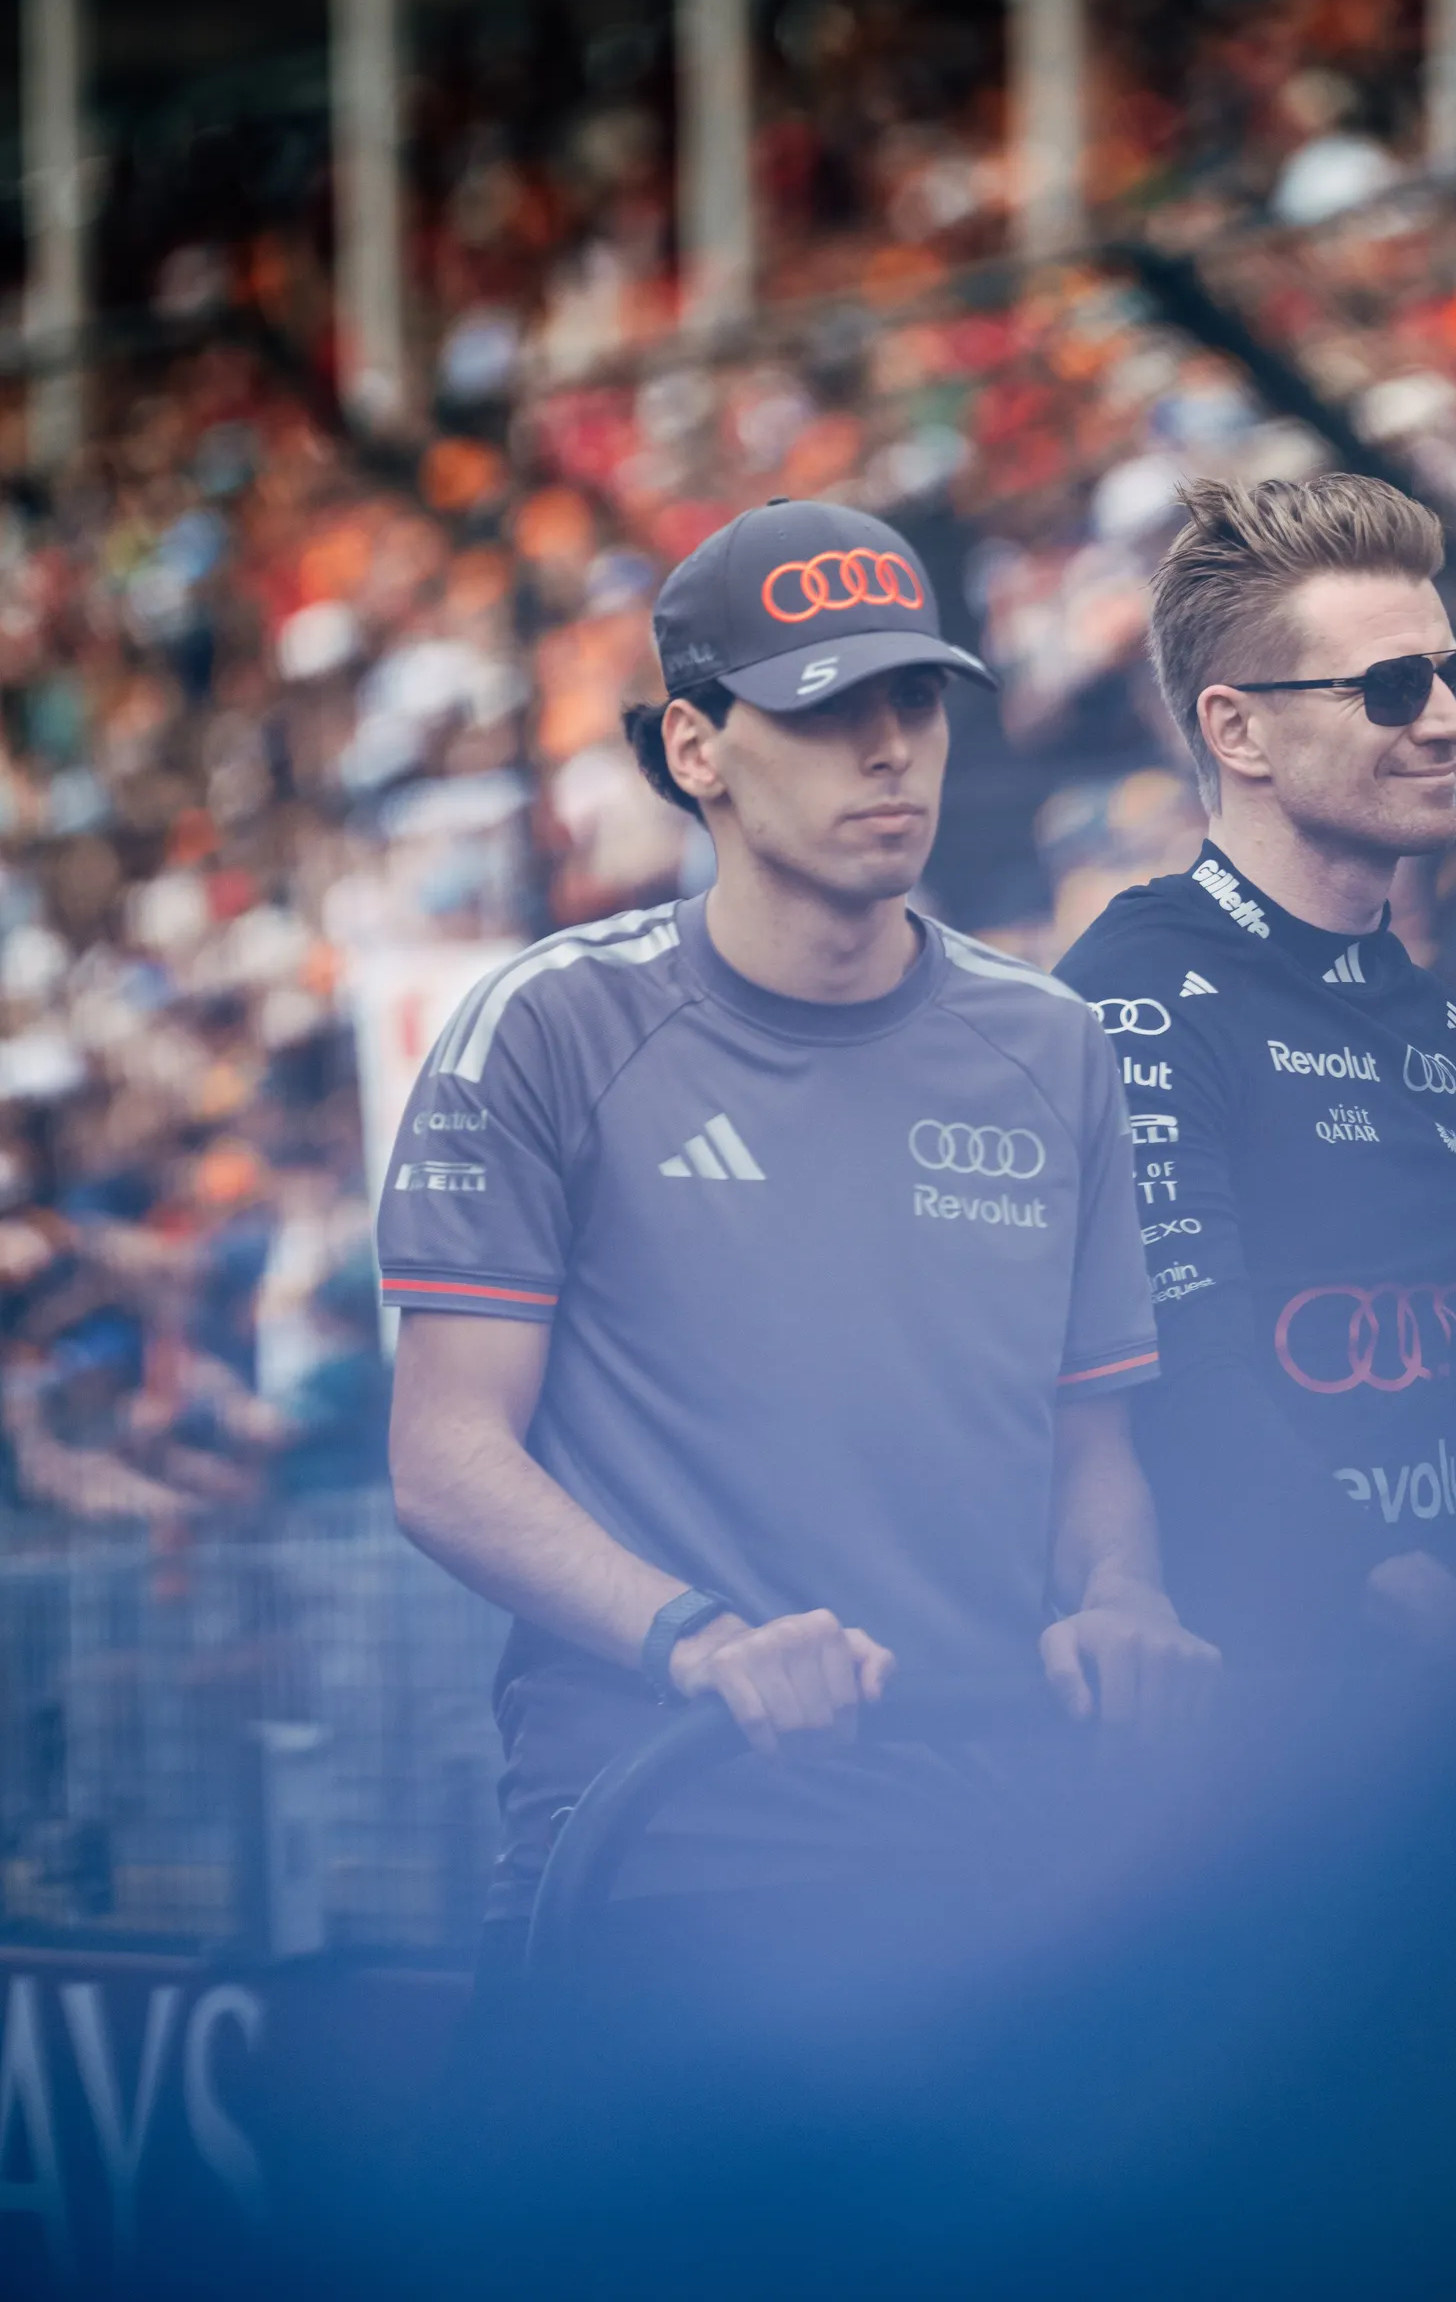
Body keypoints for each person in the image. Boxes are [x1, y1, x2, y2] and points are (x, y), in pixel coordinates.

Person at [380, 497, 1217, 1976]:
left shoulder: (1053, 1042)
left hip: (996, 1870)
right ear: (694, 749)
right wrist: (700, 1641)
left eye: (916, 702)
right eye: (826, 708)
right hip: (658, 1860)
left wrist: (1126, 1600)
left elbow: (1091, 1449)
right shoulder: (550, 1024)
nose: (889, 749)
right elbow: (446, 1458)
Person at [1056, 474, 1456, 1664]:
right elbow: (1185, 1384)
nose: (1447, 723)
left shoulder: (1452, 1035)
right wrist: (1401, 1593)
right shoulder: (1136, 998)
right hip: (1267, 1714)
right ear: (1237, 730)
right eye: (1391, 687)